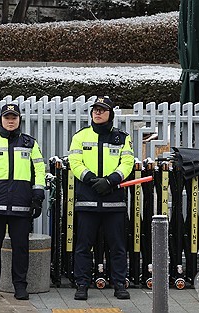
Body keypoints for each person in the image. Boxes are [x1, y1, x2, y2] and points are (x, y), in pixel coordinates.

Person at [0, 102, 46, 301]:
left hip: (21, 205)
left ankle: (20, 286)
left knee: (21, 248)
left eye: (14, 117)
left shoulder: (30, 144)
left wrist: (38, 197)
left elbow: (40, 171)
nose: (10, 121)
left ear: (19, 119)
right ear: (1, 120)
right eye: (7, 117)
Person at [68, 96, 134, 300]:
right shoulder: (80, 136)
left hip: (113, 201)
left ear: (110, 114)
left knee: (117, 246)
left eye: (102, 110)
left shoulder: (122, 138)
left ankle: (120, 284)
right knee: (83, 247)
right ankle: (82, 284)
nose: (97, 113)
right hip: (87, 200)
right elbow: (74, 161)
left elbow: (128, 162)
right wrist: (91, 179)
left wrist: (111, 180)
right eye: (95, 109)